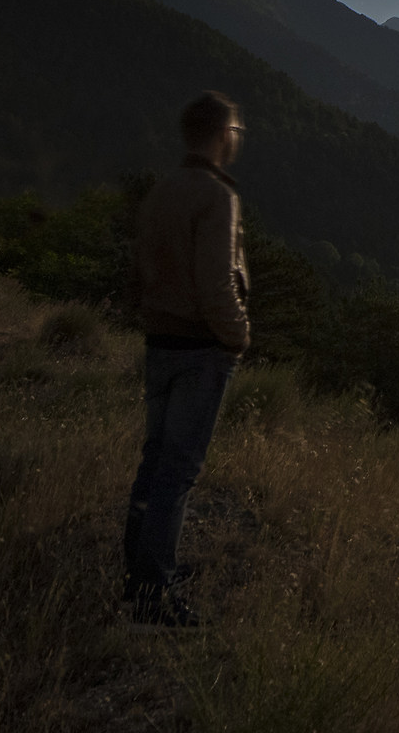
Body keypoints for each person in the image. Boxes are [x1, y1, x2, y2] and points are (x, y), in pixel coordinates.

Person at [121, 90, 251, 629]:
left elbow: (143, 267)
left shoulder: (163, 189)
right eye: (237, 132)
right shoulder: (216, 196)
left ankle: (142, 570)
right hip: (201, 348)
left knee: (155, 463)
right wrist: (238, 334)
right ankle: (153, 598)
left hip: (161, 341)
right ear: (224, 134)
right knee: (178, 471)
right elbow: (216, 280)